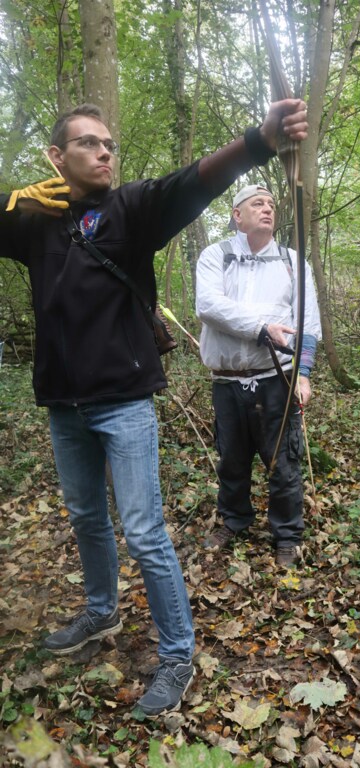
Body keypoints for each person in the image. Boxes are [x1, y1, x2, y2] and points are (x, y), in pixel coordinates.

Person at [0, 100, 308, 716]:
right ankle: (102, 611)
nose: (104, 151)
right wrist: (11, 202)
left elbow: (193, 182)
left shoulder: (131, 209)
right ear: (56, 157)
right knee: (86, 517)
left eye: (108, 143)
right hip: (63, 403)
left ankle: (177, 655)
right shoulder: (36, 223)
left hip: (123, 402)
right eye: (88, 143)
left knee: (143, 531)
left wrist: (260, 140)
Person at [196, 184, 321, 567]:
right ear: (237, 215)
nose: (267, 209)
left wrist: (303, 373)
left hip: (276, 380)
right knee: (231, 459)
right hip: (226, 380)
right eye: (257, 204)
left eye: (270, 204)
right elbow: (208, 305)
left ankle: (287, 535)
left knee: (283, 461)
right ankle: (235, 520)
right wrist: (262, 328)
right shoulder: (215, 255)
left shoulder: (292, 262)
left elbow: (308, 321)